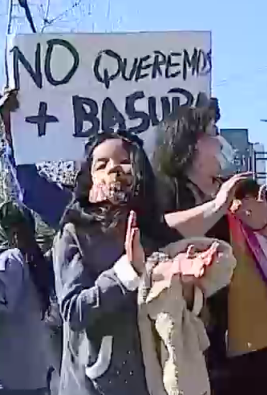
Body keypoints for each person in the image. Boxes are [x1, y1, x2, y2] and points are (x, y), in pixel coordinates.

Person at [153, 101, 267, 395]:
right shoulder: (165, 191)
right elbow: (158, 234)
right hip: (200, 350)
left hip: (263, 345)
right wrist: (216, 207)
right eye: (213, 133)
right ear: (190, 145)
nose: (220, 140)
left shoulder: (240, 187)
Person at [53, 131, 183, 395]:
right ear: (89, 181)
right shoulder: (74, 234)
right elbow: (75, 311)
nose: (114, 168)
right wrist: (126, 273)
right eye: (101, 164)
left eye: (124, 161)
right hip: (94, 386)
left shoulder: (155, 233)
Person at [0, 201, 57, 395]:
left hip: (14, 378)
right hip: (39, 375)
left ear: (13, 232)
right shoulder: (39, 262)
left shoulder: (10, 261)